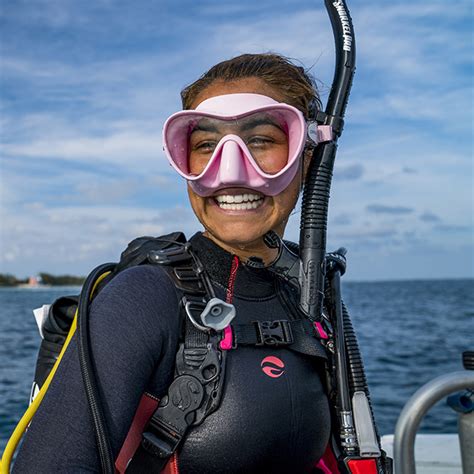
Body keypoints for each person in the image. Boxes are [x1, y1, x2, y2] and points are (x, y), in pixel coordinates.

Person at [12, 53, 336, 473]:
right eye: (205, 146)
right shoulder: (144, 297)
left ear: (308, 157)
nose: (230, 171)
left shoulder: (312, 292)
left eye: (260, 140)